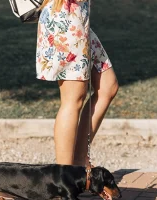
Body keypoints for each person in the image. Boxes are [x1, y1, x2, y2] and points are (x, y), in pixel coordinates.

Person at [37, 0, 119, 166]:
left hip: (77, 17)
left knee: (108, 87)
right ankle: (65, 177)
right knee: (73, 100)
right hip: (66, 19)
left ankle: (78, 161)